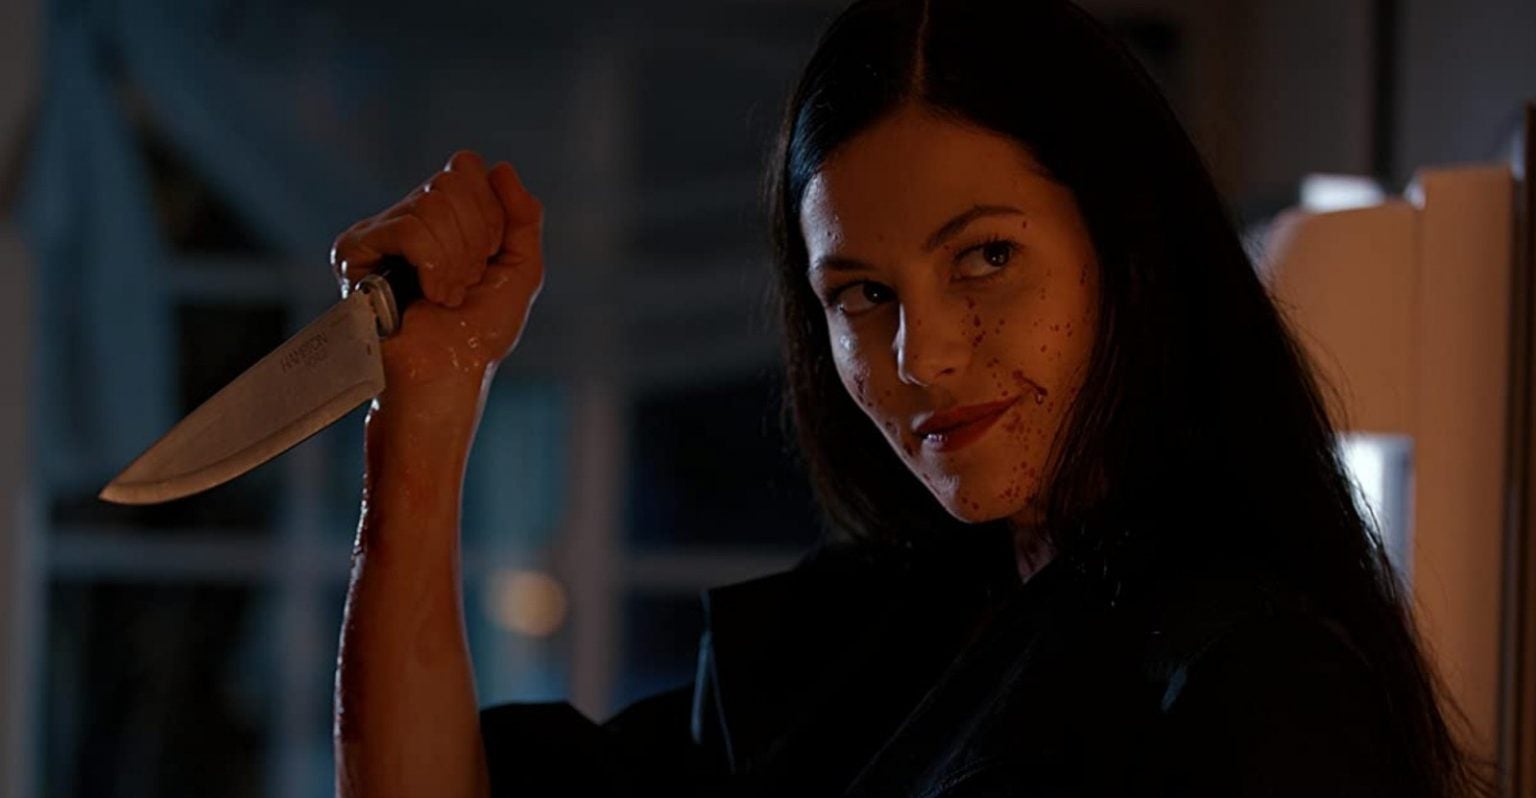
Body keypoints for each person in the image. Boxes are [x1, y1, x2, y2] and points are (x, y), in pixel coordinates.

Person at [328, 0, 1496, 796]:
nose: (921, 358)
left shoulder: (1250, 689)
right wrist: (427, 406)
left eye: (986, 258)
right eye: (862, 294)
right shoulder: (864, 635)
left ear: (1127, 249)